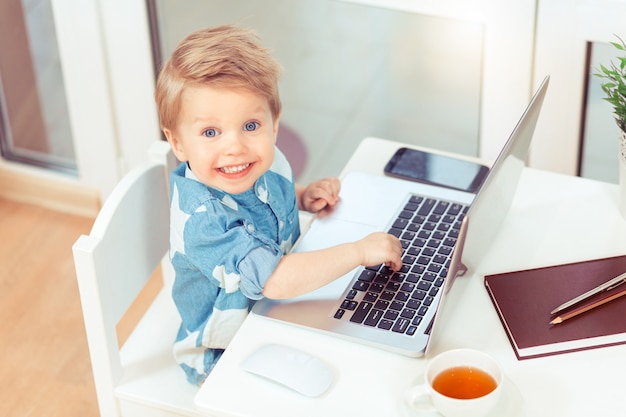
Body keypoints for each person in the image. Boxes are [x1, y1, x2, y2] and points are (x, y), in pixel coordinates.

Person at [154, 24, 402, 385]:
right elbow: (272, 279)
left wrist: (303, 196)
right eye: (211, 133)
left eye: (250, 125)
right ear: (178, 143)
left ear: (274, 123)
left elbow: (268, 195)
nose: (235, 146)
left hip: (280, 311)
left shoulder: (251, 166)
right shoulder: (204, 223)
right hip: (227, 352)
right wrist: (357, 252)